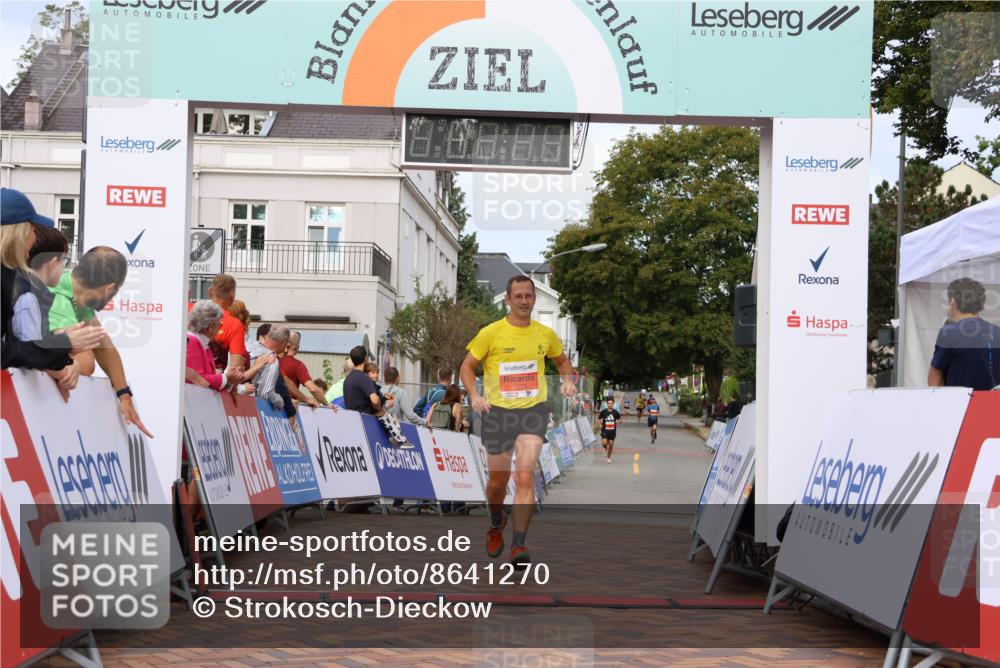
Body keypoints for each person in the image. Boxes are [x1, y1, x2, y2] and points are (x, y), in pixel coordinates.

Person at [460, 275, 577, 568]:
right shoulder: (491, 333)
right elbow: (467, 367)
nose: (524, 301)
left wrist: (568, 380)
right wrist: (474, 395)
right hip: (498, 413)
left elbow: (563, 361)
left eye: (529, 296)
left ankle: (518, 545)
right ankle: (496, 519)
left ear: (534, 298)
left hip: (532, 412)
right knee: (497, 482)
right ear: (508, 300)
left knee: (524, 476)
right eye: (519, 296)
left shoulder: (545, 334)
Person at [47, 245, 152, 437]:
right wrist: (72, 364)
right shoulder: (59, 295)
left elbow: (104, 347)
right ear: (110, 288)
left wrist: (124, 395)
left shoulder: (77, 291)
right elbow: (86, 363)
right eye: (116, 292)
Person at [1, 188, 103, 371]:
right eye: (33, 230)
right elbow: (8, 353)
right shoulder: (20, 287)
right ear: (18, 233)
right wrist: (62, 345)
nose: (34, 239)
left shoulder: (11, 275)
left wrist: (60, 347)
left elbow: (12, 351)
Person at [11, 226, 84, 399]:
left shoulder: (31, 293)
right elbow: (31, 353)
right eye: (64, 261)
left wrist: (68, 362)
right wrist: (64, 372)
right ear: (52, 263)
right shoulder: (28, 298)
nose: (64, 269)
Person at [928, 277, 1000, 390]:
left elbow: (934, 381)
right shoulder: (997, 331)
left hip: (962, 401)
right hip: (994, 401)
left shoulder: (950, 332)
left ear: (952, 301)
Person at [343, 345, 409, 446]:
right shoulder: (364, 378)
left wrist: (383, 398)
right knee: (382, 412)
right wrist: (379, 406)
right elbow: (374, 400)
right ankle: (400, 440)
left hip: (350, 418)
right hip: (364, 418)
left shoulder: (347, 379)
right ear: (365, 359)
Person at [185, 300, 245, 391]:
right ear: (211, 327)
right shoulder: (192, 342)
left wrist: (228, 378)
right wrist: (226, 377)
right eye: (219, 324)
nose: (220, 328)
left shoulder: (201, 343)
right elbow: (198, 379)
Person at [279, 331, 327, 408]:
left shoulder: (273, 359)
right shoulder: (298, 365)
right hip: (287, 407)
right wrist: (327, 404)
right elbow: (313, 389)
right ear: (297, 347)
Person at [596, 397, 621, 463]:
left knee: (611, 444)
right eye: (609, 403)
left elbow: (620, 419)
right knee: (604, 443)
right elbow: (598, 418)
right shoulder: (604, 411)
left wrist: (617, 421)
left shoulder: (615, 412)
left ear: (613, 404)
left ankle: (609, 457)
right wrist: (599, 424)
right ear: (607, 404)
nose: (610, 404)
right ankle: (605, 448)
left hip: (612, 431)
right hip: (605, 430)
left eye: (611, 403)